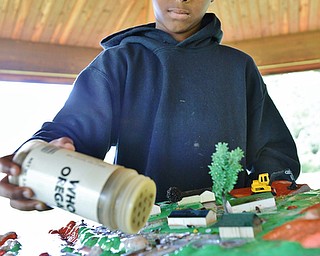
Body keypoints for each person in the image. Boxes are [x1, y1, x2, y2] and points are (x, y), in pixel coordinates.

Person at [0, 0, 300, 210]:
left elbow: (272, 150)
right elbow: (71, 134)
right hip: (141, 222)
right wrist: (36, 162)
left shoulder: (238, 66)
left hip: (232, 223)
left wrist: (276, 186)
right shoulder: (118, 63)